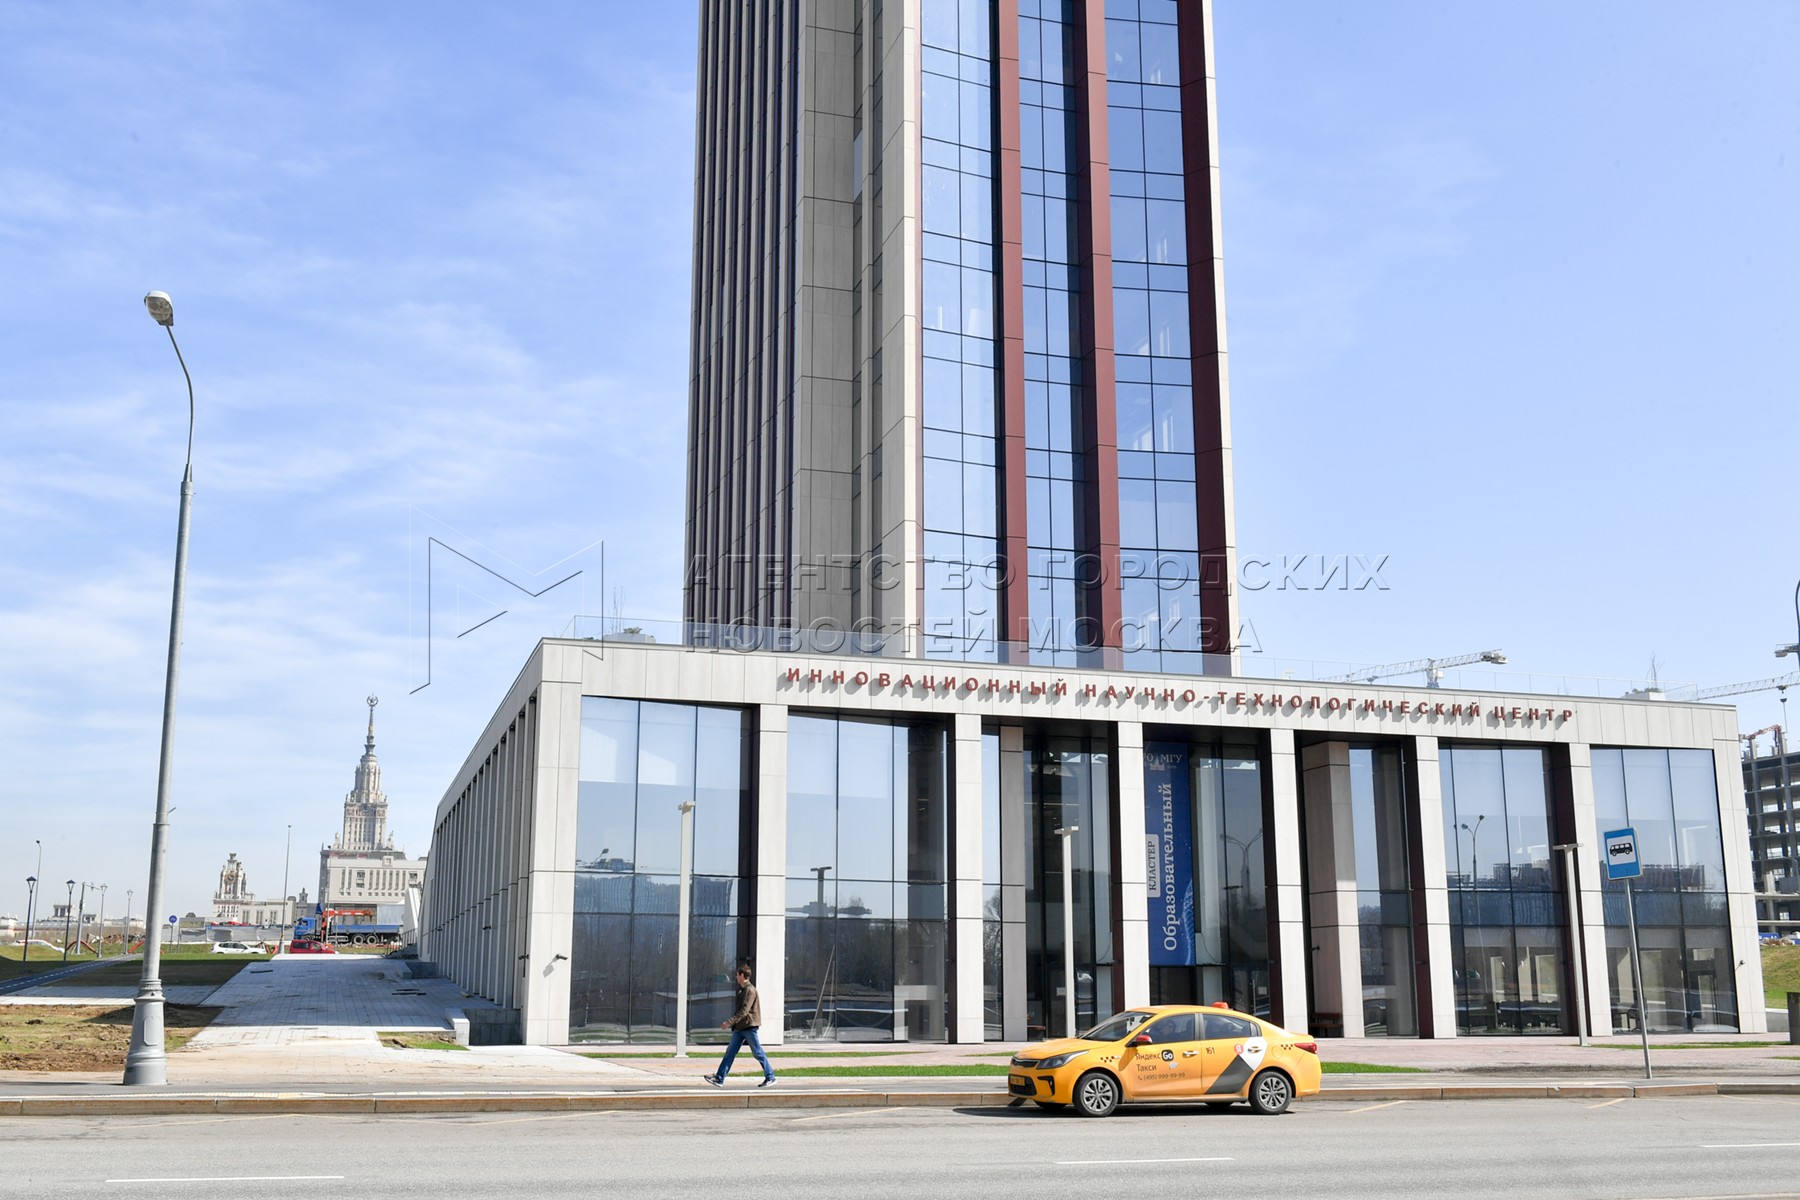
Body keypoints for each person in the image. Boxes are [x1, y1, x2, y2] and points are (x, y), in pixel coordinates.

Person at [704, 963, 775, 1088]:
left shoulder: (750, 990)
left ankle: (770, 1077)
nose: (736, 977)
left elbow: (744, 1011)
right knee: (730, 1052)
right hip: (740, 1027)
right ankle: (719, 1079)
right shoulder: (743, 989)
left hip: (748, 1027)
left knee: (757, 1052)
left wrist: (729, 1022)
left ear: (742, 975)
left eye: (737, 975)